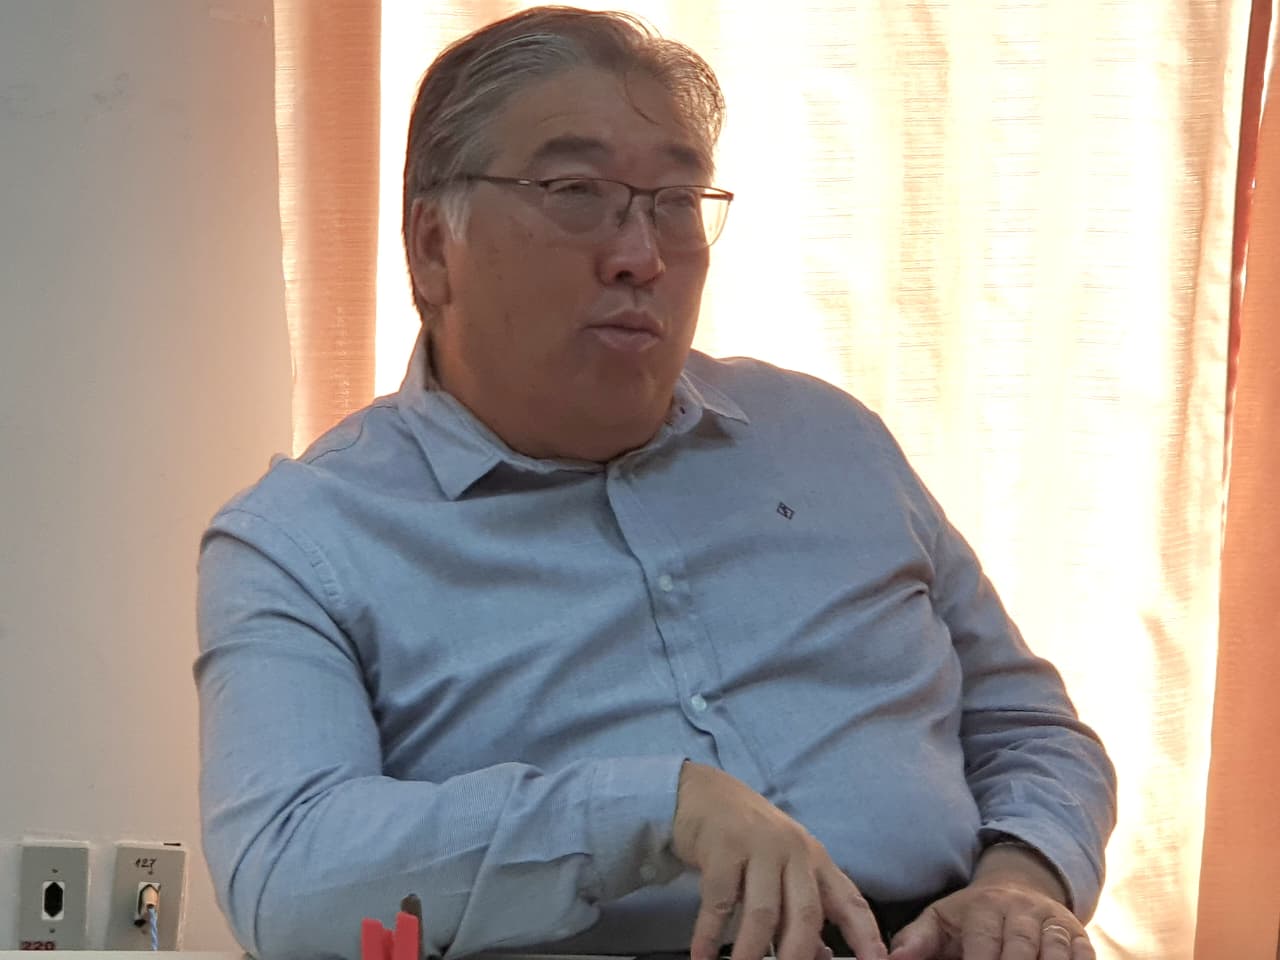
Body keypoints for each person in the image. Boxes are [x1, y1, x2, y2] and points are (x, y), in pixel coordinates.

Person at [195, 8, 1117, 960]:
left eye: (675, 201)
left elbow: (1031, 732)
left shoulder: (833, 441)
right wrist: (649, 811)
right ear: (434, 247)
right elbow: (289, 876)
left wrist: (1019, 885)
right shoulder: (306, 536)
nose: (640, 256)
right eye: (576, 192)